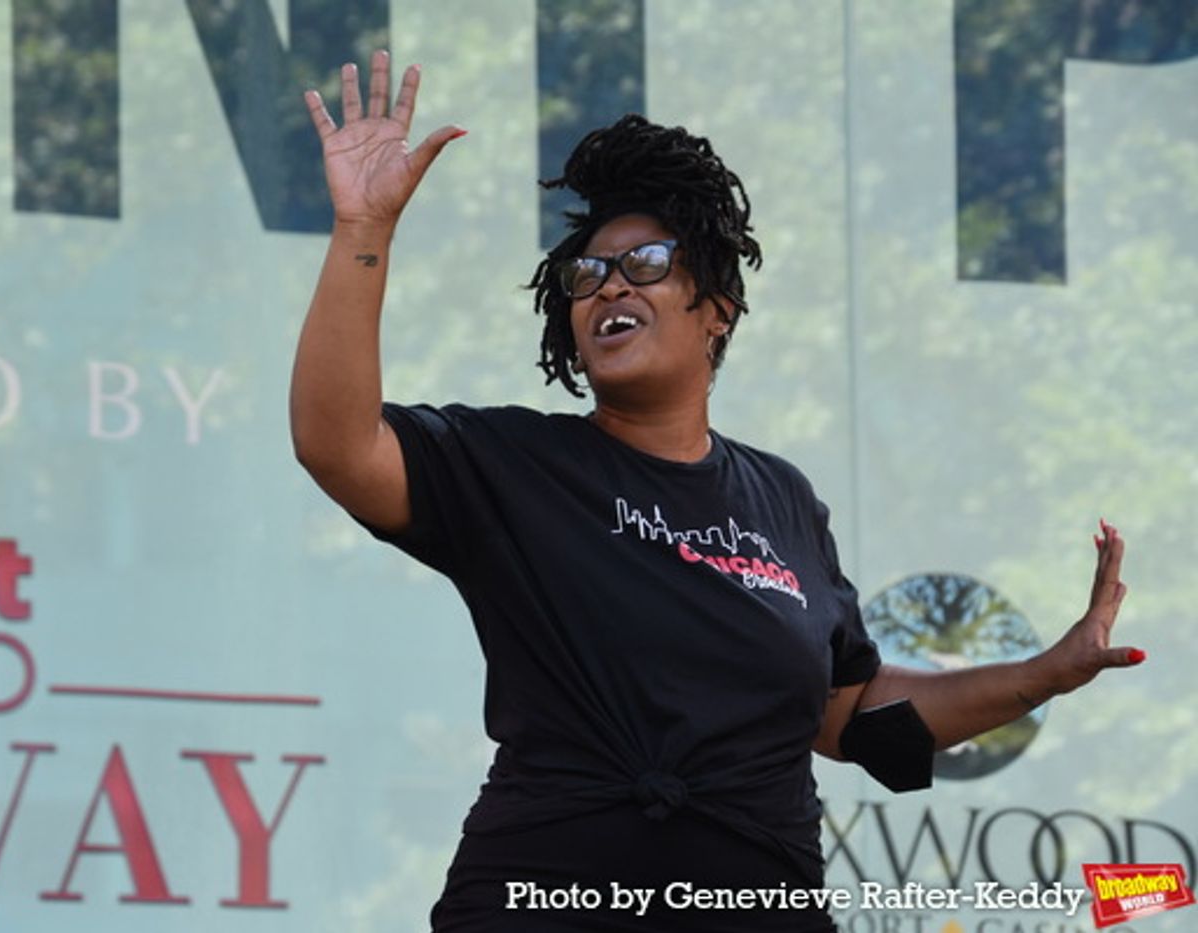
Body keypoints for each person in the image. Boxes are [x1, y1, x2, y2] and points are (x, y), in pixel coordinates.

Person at [290, 50, 1143, 932]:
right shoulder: (514, 460)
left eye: (646, 262)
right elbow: (338, 444)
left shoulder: (782, 500)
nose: (609, 283)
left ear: (718, 307)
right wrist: (365, 227)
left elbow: (850, 717)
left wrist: (1048, 671)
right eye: (587, 274)